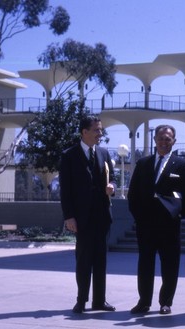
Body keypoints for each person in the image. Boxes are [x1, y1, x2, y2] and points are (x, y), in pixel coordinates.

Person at [127, 124, 185, 315]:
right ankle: (144, 302)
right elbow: (133, 194)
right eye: (161, 138)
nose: (164, 142)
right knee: (145, 263)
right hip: (146, 224)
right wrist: (139, 217)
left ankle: (166, 302)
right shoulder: (143, 164)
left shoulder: (181, 165)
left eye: (168, 139)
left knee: (170, 264)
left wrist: (179, 214)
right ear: (154, 140)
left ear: (174, 141)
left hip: (169, 225)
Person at [60, 115, 117, 314]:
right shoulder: (69, 155)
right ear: (84, 132)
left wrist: (113, 187)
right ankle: (81, 300)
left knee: (101, 260)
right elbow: (65, 191)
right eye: (96, 130)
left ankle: (99, 301)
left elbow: (113, 178)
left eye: (101, 130)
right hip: (82, 218)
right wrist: (69, 216)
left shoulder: (104, 153)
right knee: (83, 260)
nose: (100, 134)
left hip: (102, 215)